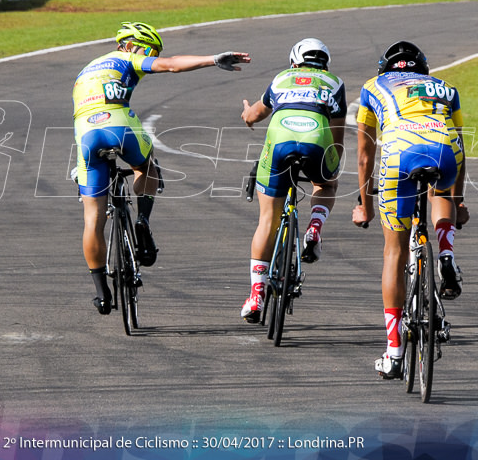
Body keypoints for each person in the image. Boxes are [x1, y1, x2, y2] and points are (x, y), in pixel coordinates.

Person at [74, 21, 250, 315]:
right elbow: (170, 65)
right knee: (146, 165)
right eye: (150, 50)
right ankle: (142, 220)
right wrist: (212, 59)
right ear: (131, 45)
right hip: (120, 126)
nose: (152, 56)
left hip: (86, 134)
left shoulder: (84, 72)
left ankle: (102, 293)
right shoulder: (127, 57)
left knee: (92, 219)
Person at [351, 40, 469, 379]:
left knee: (395, 252)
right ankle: (446, 252)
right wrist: (458, 203)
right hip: (445, 150)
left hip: (399, 154)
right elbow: (460, 143)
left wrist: (365, 205)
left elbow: (363, 155)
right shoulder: (446, 88)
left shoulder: (372, 87)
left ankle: (394, 352)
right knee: (440, 189)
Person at [239, 37, 346, 322]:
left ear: (294, 61)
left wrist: (247, 116)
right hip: (317, 140)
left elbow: (255, 114)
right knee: (325, 184)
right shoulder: (334, 82)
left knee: (267, 220)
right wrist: (330, 173)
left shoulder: (281, 78)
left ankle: (256, 295)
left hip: (280, 142)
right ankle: (314, 226)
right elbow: (337, 138)